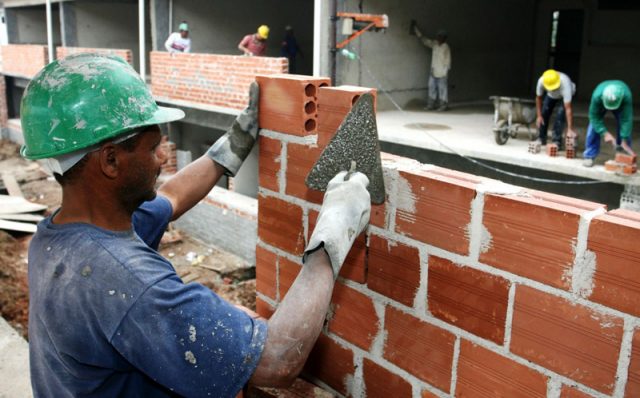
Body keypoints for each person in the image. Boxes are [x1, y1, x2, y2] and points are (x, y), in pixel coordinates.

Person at [21, 53, 371, 397]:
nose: (163, 157)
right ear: (110, 160)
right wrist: (333, 230)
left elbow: (172, 197)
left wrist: (233, 144)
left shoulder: (59, 236)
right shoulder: (128, 281)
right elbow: (276, 360)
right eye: (154, 147)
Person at [582, 80, 634, 167]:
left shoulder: (626, 96)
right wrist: (604, 133)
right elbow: (594, 117)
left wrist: (624, 139)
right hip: (602, 100)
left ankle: (623, 154)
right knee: (593, 125)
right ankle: (589, 155)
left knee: (623, 123)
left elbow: (626, 120)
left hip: (620, 101)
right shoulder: (597, 96)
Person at [535, 69, 577, 149]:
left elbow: (568, 109)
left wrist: (570, 128)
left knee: (560, 115)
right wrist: (539, 116)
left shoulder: (565, 83)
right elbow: (538, 98)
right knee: (544, 113)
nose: (553, 89)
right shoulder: (541, 81)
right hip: (551, 95)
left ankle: (556, 141)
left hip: (565, 94)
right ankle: (541, 138)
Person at [413, 26, 451, 111]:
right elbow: (425, 41)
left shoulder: (446, 47)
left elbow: (448, 61)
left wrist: (445, 72)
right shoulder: (435, 44)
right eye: (438, 36)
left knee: (442, 90)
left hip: (442, 73)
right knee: (431, 88)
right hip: (433, 71)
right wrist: (417, 32)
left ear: (444, 38)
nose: (438, 38)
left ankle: (443, 105)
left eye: (440, 36)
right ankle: (431, 105)